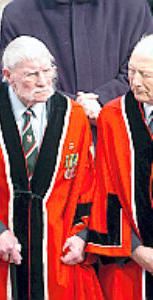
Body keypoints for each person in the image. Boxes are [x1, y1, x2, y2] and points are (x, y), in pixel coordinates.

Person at [0, 36, 103, 300]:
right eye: (32, 74)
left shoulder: (73, 116)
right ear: (8, 75)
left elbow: (89, 185)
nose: (44, 81)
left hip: (57, 259)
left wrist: (82, 235)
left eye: (48, 70)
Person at [0, 0, 153, 131]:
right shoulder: (18, 14)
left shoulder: (132, 6)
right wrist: (73, 106)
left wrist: (101, 100)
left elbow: (146, 69)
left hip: (125, 134)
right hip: (52, 136)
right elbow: (14, 80)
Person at [87, 34, 153, 300]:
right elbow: (104, 191)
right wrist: (136, 250)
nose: (134, 82)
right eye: (131, 72)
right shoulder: (114, 117)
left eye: (145, 74)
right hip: (130, 263)